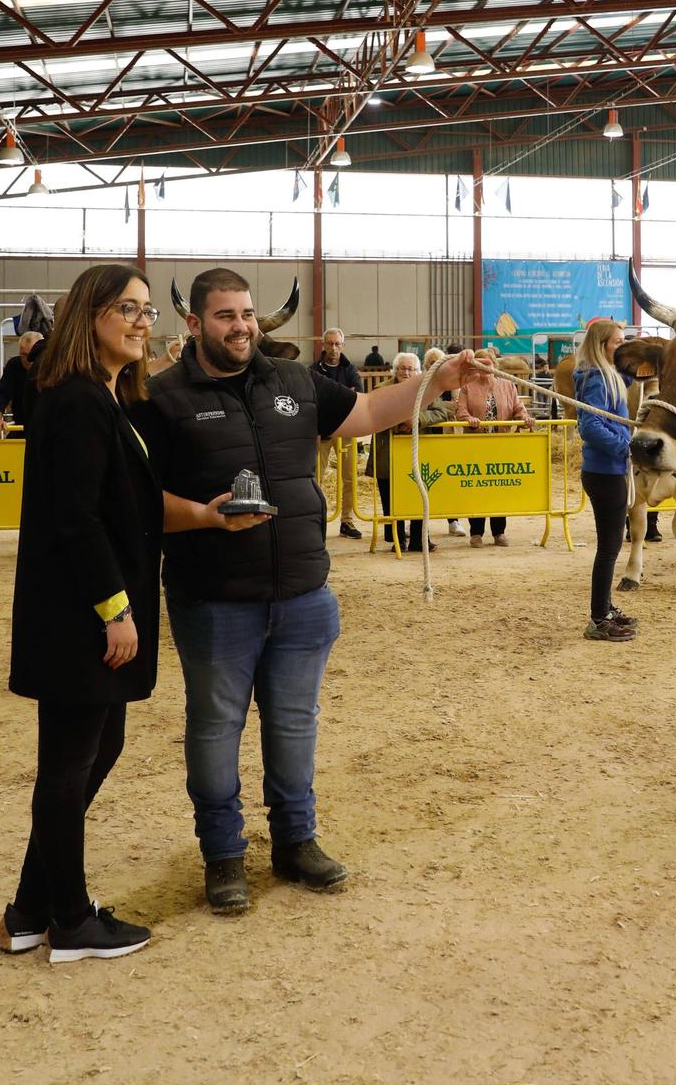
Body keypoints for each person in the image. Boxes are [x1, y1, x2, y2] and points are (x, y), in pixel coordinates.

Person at [144, 266, 486, 916]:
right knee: (216, 729)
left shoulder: (294, 381)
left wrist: (436, 380)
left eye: (246, 313)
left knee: (296, 724)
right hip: (213, 598)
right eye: (224, 316)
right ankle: (222, 855)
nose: (241, 325)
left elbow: (364, 413)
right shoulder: (162, 397)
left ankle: (295, 842)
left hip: (303, 594)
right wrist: (205, 516)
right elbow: (134, 499)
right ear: (193, 324)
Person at [1, 265, 164, 964]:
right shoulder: (75, 401)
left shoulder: (101, 396)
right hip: (81, 618)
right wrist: (114, 608)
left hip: (87, 613)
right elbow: (75, 521)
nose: (140, 321)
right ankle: (69, 920)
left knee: (95, 752)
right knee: (68, 766)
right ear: (89, 315)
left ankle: (31, 909)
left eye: (147, 310)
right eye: (126, 308)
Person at [572, 318, 636, 644]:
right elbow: (591, 427)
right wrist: (625, 446)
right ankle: (598, 619)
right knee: (609, 549)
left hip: (608, 470)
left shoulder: (610, 375)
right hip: (605, 472)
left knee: (611, 547)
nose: (621, 346)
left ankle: (606, 608)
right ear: (602, 346)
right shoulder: (597, 379)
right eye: (618, 342)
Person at [455, 348, 533, 547]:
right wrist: (468, 418)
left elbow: (517, 408)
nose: (484, 368)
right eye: (479, 364)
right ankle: (476, 533)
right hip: (476, 446)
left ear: (494, 364)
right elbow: (460, 409)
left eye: (487, 363)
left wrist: (524, 418)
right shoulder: (467, 386)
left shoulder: (508, 385)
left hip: (501, 445)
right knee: (477, 489)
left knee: (499, 487)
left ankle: (499, 532)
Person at [373, 351, 443, 554]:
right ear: (395, 370)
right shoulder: (381, 389)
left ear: (418, 371)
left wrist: (418, 419)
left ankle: (420, 540)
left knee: (419, 495)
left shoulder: (428, 388)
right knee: (391, 497)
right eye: (402, 368)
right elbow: (377, 412)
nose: (406, 372)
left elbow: (443, 411)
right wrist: (402, 419)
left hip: (418, 452)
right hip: (389, 453)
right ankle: (397, 539)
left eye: (410, 368)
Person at [312, 328, 364, 538]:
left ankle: (347, 521)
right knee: (316, 477)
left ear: (343, 346)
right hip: (322, 432)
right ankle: (316, 520)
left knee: (350, 477)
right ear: (323, 345)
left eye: (337, 344)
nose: (333, 348)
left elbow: (358, 396)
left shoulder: (351, 370)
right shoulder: (313, 370)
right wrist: (344, 397)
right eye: (330, 343)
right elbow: (313, 399)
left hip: (347, 430)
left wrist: (334, 400)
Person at [423, 347, 465, 537]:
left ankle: (453, 520)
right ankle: (418, 522)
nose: (434, 365)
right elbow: (424, 409)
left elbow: (456, 408)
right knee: (423, 482)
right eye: (431, 363)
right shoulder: (421, 384)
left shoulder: (453, 384)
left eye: (438, 362)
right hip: (425, 438)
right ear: (426, 365)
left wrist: (437, 410)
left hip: (447, 439)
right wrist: (441, 410)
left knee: (449, 482)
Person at [0, 330, 44, 434]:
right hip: (21, 425)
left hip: (46, 428)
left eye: (32, 355)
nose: (28, 360)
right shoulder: (14, 365)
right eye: (24, 355)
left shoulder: (52, 368)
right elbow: (2, 393)